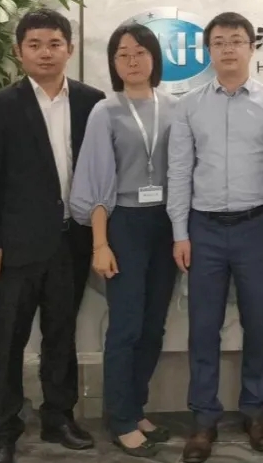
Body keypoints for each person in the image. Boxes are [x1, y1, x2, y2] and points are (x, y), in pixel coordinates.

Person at [0, 8, 106, 463]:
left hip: (72, 241)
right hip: (15, 247)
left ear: (69, 49)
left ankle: (58, 416)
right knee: (8, 340)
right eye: (35, 45)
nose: (45, 53)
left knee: (61, 335)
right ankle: (1, 430)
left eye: (54, 44)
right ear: (19, 51)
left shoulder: (92, 101)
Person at [167, 11, 263, 462]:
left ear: (252, 47)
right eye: (219, 42)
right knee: (203, 327)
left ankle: (256, 411)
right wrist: (180, 232)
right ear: (208, 51)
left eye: (236, 40)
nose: (228, 49)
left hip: (257, 225)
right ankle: (203, 419)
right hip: (204, 229)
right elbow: (179, 171)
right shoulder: (189, 105)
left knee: (259, 323)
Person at [69, 23, 179, 457]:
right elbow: (96, 179)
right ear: (113, 63)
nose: (132, 61)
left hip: (167, 223)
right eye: (122, 54)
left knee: (154, 325)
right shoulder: (105, 111)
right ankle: (120, 419)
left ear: (154, 58)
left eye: (140, 52)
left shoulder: (176, 107)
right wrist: (101, 243)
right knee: (127, 324)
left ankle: (135, 407)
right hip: (125, 224)